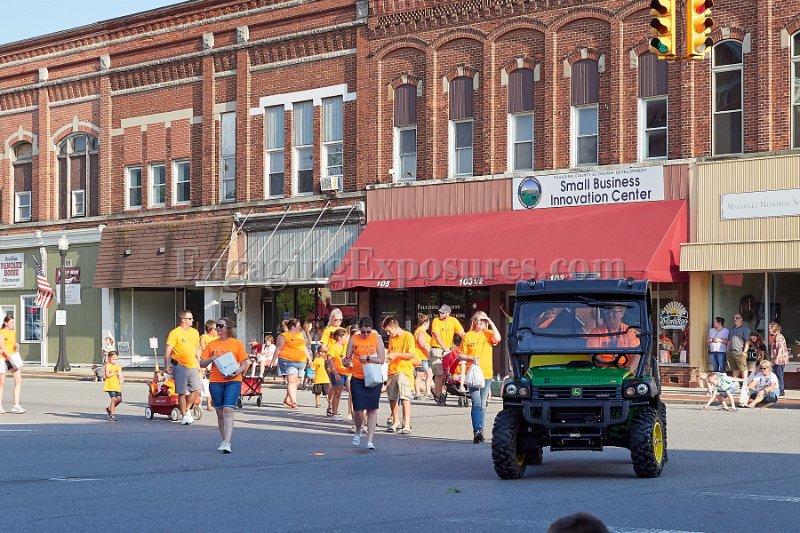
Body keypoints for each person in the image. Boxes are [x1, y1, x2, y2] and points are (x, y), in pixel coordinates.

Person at [200, 317, 248, 453]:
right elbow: (202, 363)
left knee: (228, 410)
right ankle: (224, 440)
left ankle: (227, 443)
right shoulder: (211, 344)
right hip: (216, 381)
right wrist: (212, 358)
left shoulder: (237, 344)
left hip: (233, 380)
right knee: (220, 413)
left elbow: (244, 363)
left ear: (228, 328)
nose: (218, 328)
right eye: (217, 326)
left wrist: (236, 372)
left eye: (221, 326)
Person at [458, 311, 501, 443]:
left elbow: (498, 338)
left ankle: (480, 429)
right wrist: (471, 358)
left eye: (484, 320)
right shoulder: (468, 336)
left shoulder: (488, 334)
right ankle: (477, 430)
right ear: (474, 321)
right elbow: (460, 355)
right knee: (476, 403)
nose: (482, 322)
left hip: (486, 374)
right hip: (473, 374)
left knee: (482, 404)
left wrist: (490, 321)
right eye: (479, 319)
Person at [345, 317, 386, 450]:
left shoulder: (377, 338)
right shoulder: (354, 339)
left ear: (372, 329)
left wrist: (368, 358)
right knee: (358, 410)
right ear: (359, 329)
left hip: (372, 377)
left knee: (372, 409)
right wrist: (346, 362)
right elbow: (347, 357)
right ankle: (358, 429)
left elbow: (381, 359)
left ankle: (370, 440)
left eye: (368, 331)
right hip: (357, 377)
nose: (366, 334)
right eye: (363, 332)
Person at [164, 310, 201, 425]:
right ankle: (184, 416)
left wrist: (198, 362)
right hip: (179, 365)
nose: (192, 320)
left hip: (192, 365)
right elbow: (168, 350)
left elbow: (196, 349)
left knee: (197, 390)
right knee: (182, 392)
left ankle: (187, 409)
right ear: (183, 320)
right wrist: (166, 365)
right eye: (190, 319)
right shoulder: (175, 333)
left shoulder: (195, 332)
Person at [382, 316, 417, 434]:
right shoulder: (392, 338)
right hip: (392, 370)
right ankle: (395, 420)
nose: (388, 334)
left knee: (405, 397)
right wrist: (387, 356)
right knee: (392, 397)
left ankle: (406, 424)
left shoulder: (408, 336)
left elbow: (411, 354)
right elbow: (391, 352)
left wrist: (396, 355)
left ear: (395, 326)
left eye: (389, 331)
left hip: (404, 370)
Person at [430, 305, 465, 403]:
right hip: (437, 348)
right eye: (440, 312)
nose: (440, 314)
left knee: (447, 373)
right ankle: (438, 394)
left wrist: (466, 344)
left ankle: (436, 390)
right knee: (439, 373)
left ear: (448, 313)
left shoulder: (453, 321)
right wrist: (444, 347)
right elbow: (436, 335)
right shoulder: (436, 321)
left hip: (448, 350)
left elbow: (462, 334)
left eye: (442, 312)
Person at [274, 318, 311, 409]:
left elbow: (304, 348)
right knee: (291, 381)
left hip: (300, 361)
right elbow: (278, 348)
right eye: (298, 326)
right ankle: (294, 402)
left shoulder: (300, 335)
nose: (300, 327)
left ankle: (287, 399)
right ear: (293, 327)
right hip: (288, 361)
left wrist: (309, 359)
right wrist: (273, 361)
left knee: (297, 381)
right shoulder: (284, 336)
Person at [0, 316, 25, 414]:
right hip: (3, 359)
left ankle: (16, 405)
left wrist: (16, 346)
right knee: (1, 383)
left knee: (18, 380)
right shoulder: (2, 333)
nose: (12, 324)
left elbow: (13, 345)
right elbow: (2, 346)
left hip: (13, 359)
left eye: (13, 323)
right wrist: (8, 355)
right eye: (11, 322)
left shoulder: (12, 332)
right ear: (5, 323)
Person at [324, 328, 349, 421]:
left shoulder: (343, 347)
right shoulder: (333, 347)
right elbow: (330, 360)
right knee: (337, 393)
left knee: (345, 392)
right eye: (345, 336)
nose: (346, 338)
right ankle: (334, 413)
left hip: (345, 372)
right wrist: (335, 373)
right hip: (337, 372)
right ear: (339, 337)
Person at [413, 314, 432, 399]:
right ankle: (417, 393)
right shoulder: (420, 331)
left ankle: (428, 391)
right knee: (419, 375)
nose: (429, 325)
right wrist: (430, 352)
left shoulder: (422, 331)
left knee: (430, 374)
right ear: (425, 323)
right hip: (421, 356)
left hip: (425, 357)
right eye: (428, 323)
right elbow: (422, 344)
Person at [727, 314, 751, 380]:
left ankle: (745, 383)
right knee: (735, 369)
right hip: (732, 352)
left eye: (737, 318)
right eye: (735, 318)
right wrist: (727, 350)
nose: (735, 319)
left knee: (743, 369)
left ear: (741, 319)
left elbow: (747, 341)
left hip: (740, 352)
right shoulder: (731, 329)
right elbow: (729, 340)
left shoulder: (745, 329)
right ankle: (735, 384)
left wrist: (744, 352)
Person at [767, 322, 788, 397]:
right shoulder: (775, 337)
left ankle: (781, 391)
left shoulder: (778, 336)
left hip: (779, 360)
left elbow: (780, 348)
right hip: (776, 360)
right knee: (776, 375)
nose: (769, 330)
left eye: (770, 328)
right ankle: (777, 389)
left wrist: (777, 359)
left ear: (775, 329)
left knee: (779, 375)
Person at [103, 351, 123, 421]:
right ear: (109, 358)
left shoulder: (118, 366)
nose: (115, 360)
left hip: (117, 385)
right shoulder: (108, 365)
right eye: (113, 359)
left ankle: (109, 409)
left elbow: (120, 374)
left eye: (116, 359)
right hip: (110, 385)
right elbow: (107, 375)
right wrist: (115, 373)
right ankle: (112, 415)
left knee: (119, 400)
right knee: (114, 399)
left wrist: (121, 378)